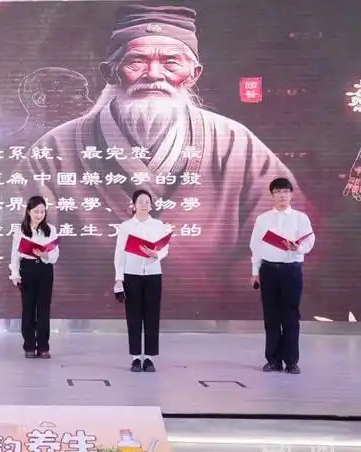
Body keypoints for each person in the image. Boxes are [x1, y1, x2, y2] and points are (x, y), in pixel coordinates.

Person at [19, 4, 309, 312]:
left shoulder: (235, 142)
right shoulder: (53, 149)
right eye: (136, 62)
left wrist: (227, 299)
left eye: (171, 62)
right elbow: (32, 245)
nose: (154, 75)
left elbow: (288, 229)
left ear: (194, 74)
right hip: (95, 314)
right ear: (110, 73)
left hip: (210, 318)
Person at [249, 178, 315, 374]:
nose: (282, 195)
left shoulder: (300, 218)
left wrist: (298, 247)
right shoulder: (263, 219)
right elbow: (255, 246)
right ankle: (273, 360)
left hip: (291, 269)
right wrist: (255, 272)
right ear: (272, 195)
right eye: (277, 192)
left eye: (285, 191)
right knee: (271, 316)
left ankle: (291, 361)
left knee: (290, 316)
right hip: (268, 270)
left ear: (291, 194)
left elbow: (309, 241)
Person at [113, 189, 169, 372]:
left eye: (147, 202)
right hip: (131, 275)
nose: (144, 205)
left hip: (153, 274)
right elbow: (119, 254)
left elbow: (165, 248)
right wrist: (118, 279)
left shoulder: (158, 225)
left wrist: (156, 254)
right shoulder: (126, 226)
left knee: (152, 317)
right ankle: (136, 357)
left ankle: (149, 358)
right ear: (134, 205)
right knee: (134, 317)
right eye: (141, 202)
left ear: (151, 206)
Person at [8, 196, 60, 359]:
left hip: (45, 269)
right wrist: (15, 274)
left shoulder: (50, 229)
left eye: (42, 212)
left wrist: (45, 255)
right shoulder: (21, 230)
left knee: (44, 309)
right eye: (36, 212)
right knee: (28, 308)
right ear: (29, 212)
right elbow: (15, 254)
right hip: (28, 269)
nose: (39, 215)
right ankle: (29, 345)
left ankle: (43, 346)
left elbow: (55, 254)